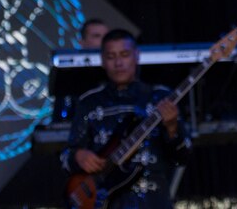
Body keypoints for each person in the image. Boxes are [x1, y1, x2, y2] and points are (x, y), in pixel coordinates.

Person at [61, 29, 191, 209]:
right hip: (104, 202)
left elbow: (182, 157)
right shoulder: (88, 103)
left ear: (136, 56)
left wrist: (171, 127)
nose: (118, 63)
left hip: (153, 201)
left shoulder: (160, 97)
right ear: (102, 61)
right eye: (111, 56)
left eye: (124, 54)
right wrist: (78, 156)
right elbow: (65, 157)